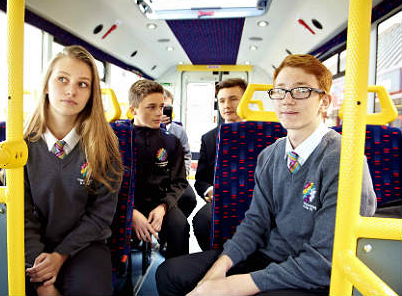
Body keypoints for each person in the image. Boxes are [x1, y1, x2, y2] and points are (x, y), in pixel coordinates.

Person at [156, 54, 377, 296]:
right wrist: (220, 268)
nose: (287, 100)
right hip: (269, 256)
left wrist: (232, 286)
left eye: (300, 90)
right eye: (280, 91)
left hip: (313, 276)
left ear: (324, 102)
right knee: (170, 273)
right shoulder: (270, 155)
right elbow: (256, 222)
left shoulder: (344, 160)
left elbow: (326, 261)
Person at [23, 45, 123, 296]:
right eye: (62, 79)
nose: (71, 90)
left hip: (83, 245)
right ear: (47, 85)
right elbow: (19, 214)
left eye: (82, 84)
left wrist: (60, 255)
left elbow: (100, 215)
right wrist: (42, 281)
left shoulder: (104, 145)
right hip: (27, 243)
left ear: (92, 94)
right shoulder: (20, 144)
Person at [129, 80, 190, 258]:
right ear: (133, 110)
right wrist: (130, 211)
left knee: (179, 226)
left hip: (160, 202)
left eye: (161, 106)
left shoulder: (171, 142)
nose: (159, 113)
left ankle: (176, 276)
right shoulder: (119, 140)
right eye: (151, 107)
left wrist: (163, 207)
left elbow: (178, 182)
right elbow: (110, 184)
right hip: (127, 204)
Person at [193, 78, 247, 251]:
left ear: (245, 101)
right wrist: (210, 190)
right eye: (222, 100)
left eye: (233, 99)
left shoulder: (262, 133)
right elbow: (201, 180)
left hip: (257, 200)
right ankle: (215, 261)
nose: (226, 105)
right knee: (201, 221)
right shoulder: (209, 139)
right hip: (221, 199)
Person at [161, 88, 197, 218]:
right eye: (160, 108)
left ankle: (177, 219)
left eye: (167, 108)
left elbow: (186, 155)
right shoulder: (147, 129)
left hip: (176, 176)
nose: (163, 112)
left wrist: (183, 175)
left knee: (189, 199)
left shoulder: (179, 131)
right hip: (156, 178)